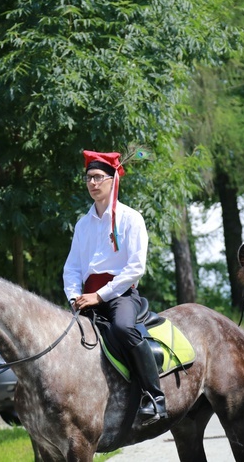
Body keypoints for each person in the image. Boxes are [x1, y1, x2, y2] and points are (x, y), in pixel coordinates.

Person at [63, 149, 167, 425]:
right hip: (85, 296)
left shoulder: (132, 218)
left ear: (113, 179)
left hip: (120, 294)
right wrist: (74, 296)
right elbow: (72, 267)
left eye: (98, 177)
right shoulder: (82, 225)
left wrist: (100, 295)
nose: (92, 183)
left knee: (123, 328)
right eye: (88, 178)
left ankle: (155, 397)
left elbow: (135, 267)